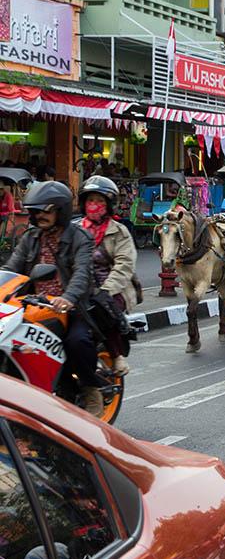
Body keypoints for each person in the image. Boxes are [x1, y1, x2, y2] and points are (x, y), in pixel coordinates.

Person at [1, 182, 104, 416]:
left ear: (61, 210)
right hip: (33, 305)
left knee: (76, 342)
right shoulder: (31, 237)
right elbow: (11, 268)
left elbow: (82, 273)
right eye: (36, 211)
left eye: (46, 211)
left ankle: (91, 390)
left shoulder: (80, 238)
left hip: (71, 307)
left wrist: (68, 298)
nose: (40, 216)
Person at [77, 176, 138, 376]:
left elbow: (124, 265)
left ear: (109, 205)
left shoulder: (119, 231)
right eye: (90, 200)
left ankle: (117, 355)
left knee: (102, 308)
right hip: (79, 287)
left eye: (100, 201)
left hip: (112, 287)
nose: (94, 205)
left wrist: (105, 290)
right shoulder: (75, 230)